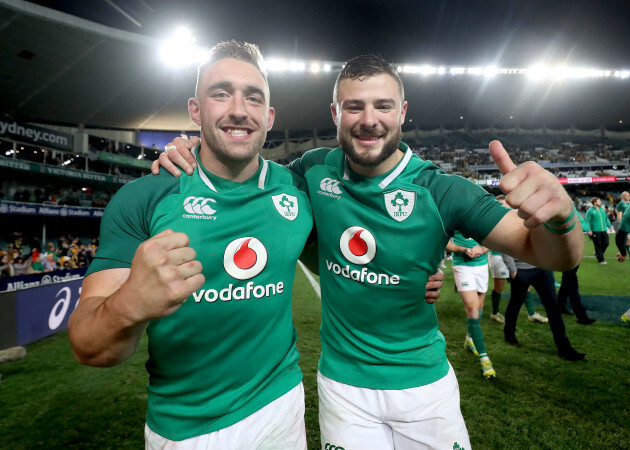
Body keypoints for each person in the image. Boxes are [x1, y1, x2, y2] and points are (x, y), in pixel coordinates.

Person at [156, 54, 584, 448]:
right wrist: (192, 150)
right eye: (354, 107)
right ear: (335, 114)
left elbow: (557, 257)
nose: (369, 120)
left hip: (423, 385)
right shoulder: (311, 169)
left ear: (401, 112)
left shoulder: (441, 189)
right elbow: (246, 176)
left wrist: (562, 217)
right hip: (343, 388)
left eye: (382, 106)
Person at [68, 41, 317, 449]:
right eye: (221, 93)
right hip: (182, 429)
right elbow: (88, 347)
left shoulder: (297, 188)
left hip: (281, 407)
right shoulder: (145, 198)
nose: (239, 109)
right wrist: (131, 302)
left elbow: (346, 248)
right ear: (195, 110)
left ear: (269, 117)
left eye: (253, 98)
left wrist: (422, 269)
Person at [501, 253, 586, 360]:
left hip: (543, 268)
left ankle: (564, 348)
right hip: (521, 270)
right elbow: (505, 244)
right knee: (515, 304)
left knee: (553, 308)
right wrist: (512, 269)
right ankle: (509, 336)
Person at [446, 233, 496, 378]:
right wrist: (463, 249)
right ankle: (485, 359)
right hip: (462, 267)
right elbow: (445, 243)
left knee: (479, 308)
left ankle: (469, 339)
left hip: (481, 266)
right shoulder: (454, 213)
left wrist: (482, 249)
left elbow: (494, 240)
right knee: (473, 310)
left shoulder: (483, 214)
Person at [557, 211, 596, 324]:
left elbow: (584, 224)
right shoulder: (562, 214)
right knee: (573, 283)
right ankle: (581, 316)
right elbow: (576, 225)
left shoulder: (572, 212)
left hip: (573, 251)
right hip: (566, 252)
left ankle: (560, 305)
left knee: (566, 282)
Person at [585, 197, 612, 264]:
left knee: (606, 243)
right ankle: (601, 260)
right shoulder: (590, 211)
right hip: (595, 231)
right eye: (599, 201)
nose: (600, 202)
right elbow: (587, 221)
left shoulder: (602, 210)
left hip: (603, 230)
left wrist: (610, 226)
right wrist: (588, 230)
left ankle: (598, 253)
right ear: (595, 203)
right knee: (598, 245)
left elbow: (606, 218)